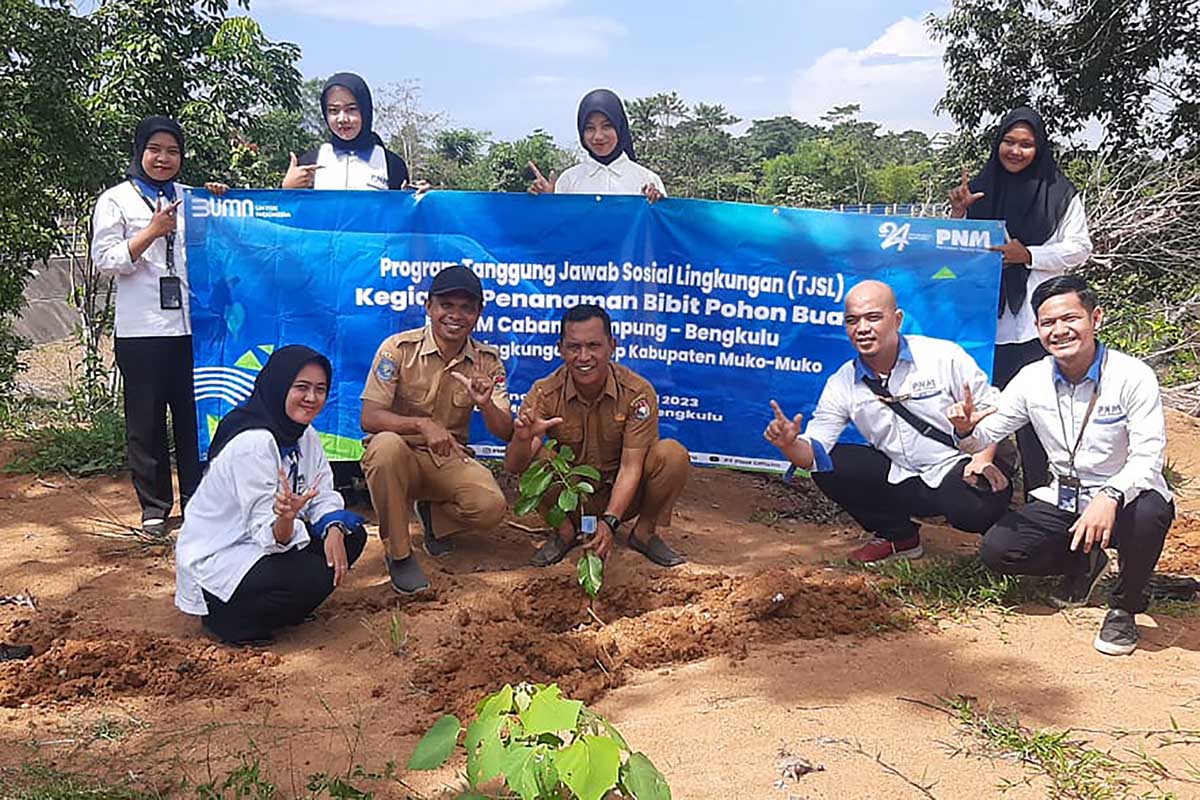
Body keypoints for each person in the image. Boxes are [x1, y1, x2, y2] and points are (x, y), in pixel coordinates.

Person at [947, 275, 1174, 656]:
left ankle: (1124, 606)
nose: (1059, 330)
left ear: (1095, 319)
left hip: (1126, 496)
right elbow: (984, 438)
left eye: (1070, 318)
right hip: (1065, 496)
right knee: (1000, 550)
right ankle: (1086, 562)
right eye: (1048, 323)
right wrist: (966, 431)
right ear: (1037, 329)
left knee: (1151, 510)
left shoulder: (1132, 376)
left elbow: (1148, 455)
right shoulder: (1032, 379)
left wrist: (1111, 495)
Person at [764, 280, 1013, 566]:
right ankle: (898, 536)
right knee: (830, 462)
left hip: (960, 465)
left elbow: (991, 410)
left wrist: (981, 459)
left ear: (897, 320)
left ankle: (1007, 541)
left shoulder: (943, 357)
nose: (862, 328)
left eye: (873, 317)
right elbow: (813, 452)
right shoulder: (842, 382)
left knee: (972, 506)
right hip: (903, 474)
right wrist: (789, 444)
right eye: (852, 320)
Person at [174, 345, 367, 645]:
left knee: (351, 535)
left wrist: (332, 526)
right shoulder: (254, 442)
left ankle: (278, 609)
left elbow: (321, 490)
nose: (312, 398)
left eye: (320, 389)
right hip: (225, 551)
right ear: (278, 385)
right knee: (311, 574)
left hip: (268, 541)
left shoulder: (304, 433)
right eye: (301, 387)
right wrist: (286, 519)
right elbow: (266, 531)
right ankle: (228, 620)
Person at [92, 115, 228, 537]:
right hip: (142, 329)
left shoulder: (193, 198)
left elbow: (226, 240)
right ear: (140, 152)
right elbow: (105, 261)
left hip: (194, 330)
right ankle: (154, 507)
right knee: (146, 422)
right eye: (155, 150)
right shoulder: (116, 200)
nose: (164, 159)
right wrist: (151, 231)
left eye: (173, 151)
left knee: (195, 417)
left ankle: (199, 501)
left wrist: (221, 202)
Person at [949, 107, 1093, 497]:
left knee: (1040, 412)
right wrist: (960, 213)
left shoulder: (1059, 193)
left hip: (1035, 322)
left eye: (1026, 144)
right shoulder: (979, 189)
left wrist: (1028, 255)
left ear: (1039, 147)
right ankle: (986, 497)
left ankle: (1043, 496)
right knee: (985, 406)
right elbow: (959, 253)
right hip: (986, 323)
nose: (1016, 151)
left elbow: (1080, 248)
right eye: (1008, 142)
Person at [360, 265, 512, 594]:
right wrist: (420, 424)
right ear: (429, 306)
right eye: (447, 305)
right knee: (384, 447)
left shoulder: (487, 361)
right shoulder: (398, 350)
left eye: (466, 307)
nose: (455, 315)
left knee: (491, 506)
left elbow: (505, 430)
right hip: (399, 455)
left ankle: (435, 520)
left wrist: (485, 403)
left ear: (478, 314)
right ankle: (399, 554)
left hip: (447, 460)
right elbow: (369, 417)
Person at [505, 304, 689, 568]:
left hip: (624, 496)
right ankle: (565, 533)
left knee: (672, 454)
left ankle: (644, 534)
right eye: (573, 347)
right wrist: (522, 439)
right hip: (571, 496)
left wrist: (610, 522)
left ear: (611, 346)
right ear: (560, 349)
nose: (584, 357)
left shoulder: (637, 392)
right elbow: (514, 467)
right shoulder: (544, 393)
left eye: (593, 346)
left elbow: (631, 466)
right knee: (536, 455)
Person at [527, 88, 665, 202]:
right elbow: (558, 229)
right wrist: (548, 201)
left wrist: (658, 207)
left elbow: (660, 230)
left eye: (607, 126)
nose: (598, 136)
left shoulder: (647, 180)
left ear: (620, 127)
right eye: (589, 128)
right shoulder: (569, 181)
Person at [281, 72, 410, 191]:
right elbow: (283, 212)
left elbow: (404, 212)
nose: (342, 119)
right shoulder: (309, 163)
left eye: (351, 109)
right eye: (334, 111)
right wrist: (286, 188)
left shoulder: (392, 164)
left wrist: (420, 199)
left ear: (365, 110)